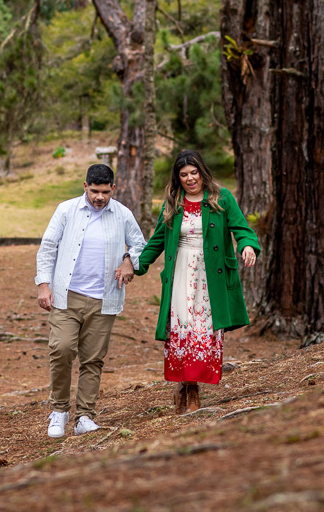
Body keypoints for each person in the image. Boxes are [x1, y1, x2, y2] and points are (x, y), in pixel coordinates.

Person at [133, 150, 258, 413]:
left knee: (204, 331)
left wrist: (247, 246)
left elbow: (242, 229)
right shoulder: (173, 202)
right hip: (180, 271)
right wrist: (137, 265)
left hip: (210, 275)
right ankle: (189, 390)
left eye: (194, 173)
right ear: (177, 178)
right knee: (183, 329)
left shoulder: (221, 197)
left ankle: (192, 384)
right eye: (184, 175)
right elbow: (157, 239)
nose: (190, 179)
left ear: (202, 172)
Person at [35, 163, 146, 438]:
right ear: (85, 187)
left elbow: (140, 244)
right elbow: (48, 247)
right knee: (61, 350)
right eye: (94, 191)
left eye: (105, 192)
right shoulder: (66, 210)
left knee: (93, 359)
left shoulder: (122, 214)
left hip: (104, 298)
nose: (99, 197)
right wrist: (43, 285)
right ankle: (59, 410)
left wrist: (130, 260)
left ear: (113, 189)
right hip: (66, 296)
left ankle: (85, 415)